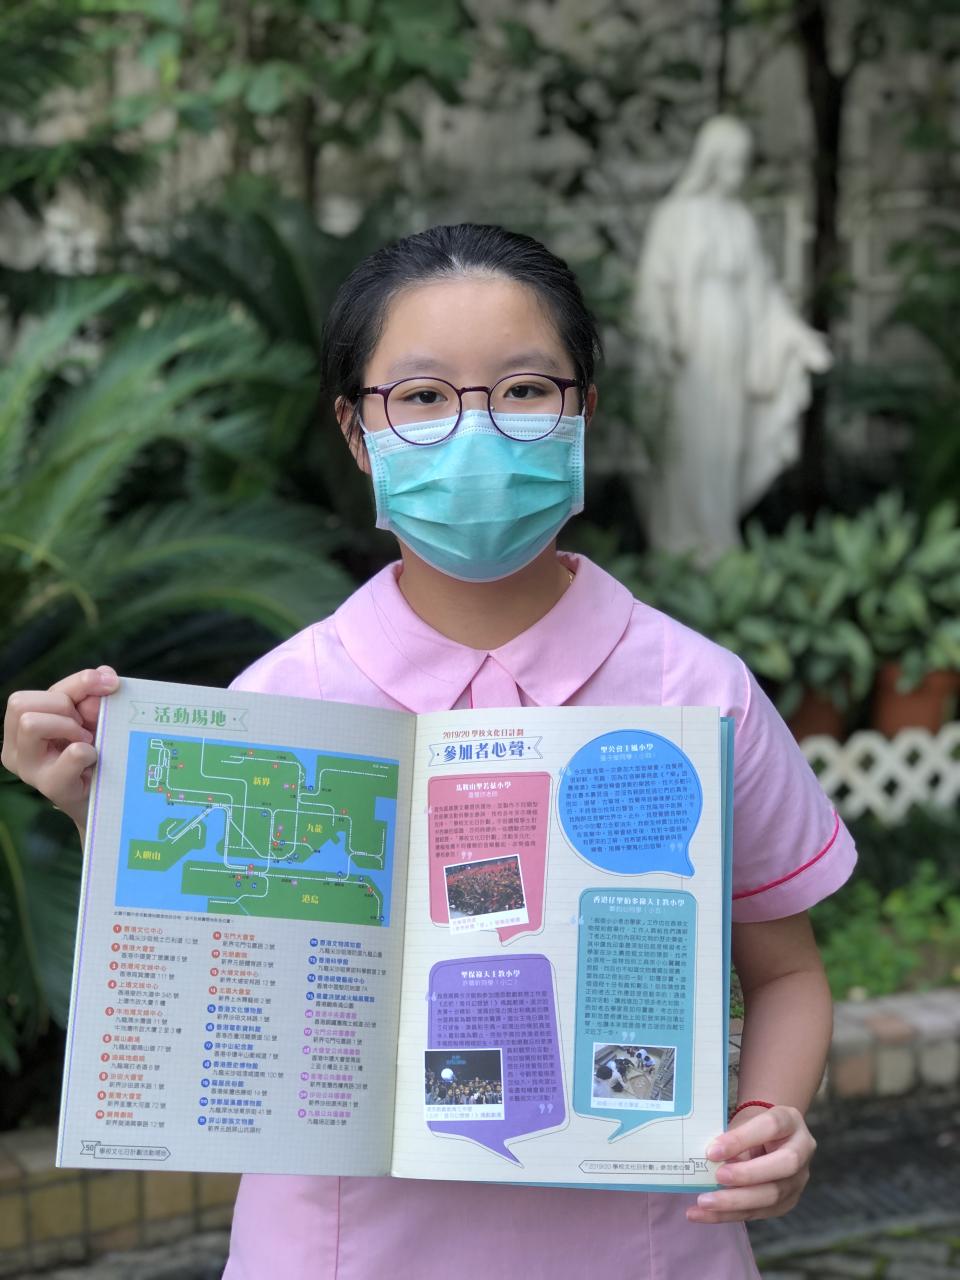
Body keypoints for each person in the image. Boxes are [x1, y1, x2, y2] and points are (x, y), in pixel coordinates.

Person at [2, 222, 855, 1279]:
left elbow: (787, 971)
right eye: (420, 396)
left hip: (643, 1251)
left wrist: (769, 1119)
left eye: (524, 390)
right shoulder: (283, 703)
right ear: (357, 432)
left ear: (583, 410)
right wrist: (98, 798)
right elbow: (211, 974)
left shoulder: (697, 692)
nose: (474, 432)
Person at [635, 116, 832, 562]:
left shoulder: (740, 220)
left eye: (743, 163)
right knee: (692, 440)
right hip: (693, 344)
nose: (738, 173)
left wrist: (797, 337)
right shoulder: (675, 216)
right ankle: (683, 540)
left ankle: (719, 534)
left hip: (736, 339)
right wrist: (661, 332)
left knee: (727, 442)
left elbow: (764, 290)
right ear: (711, 161)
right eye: (731, 163)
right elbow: (653, 284)